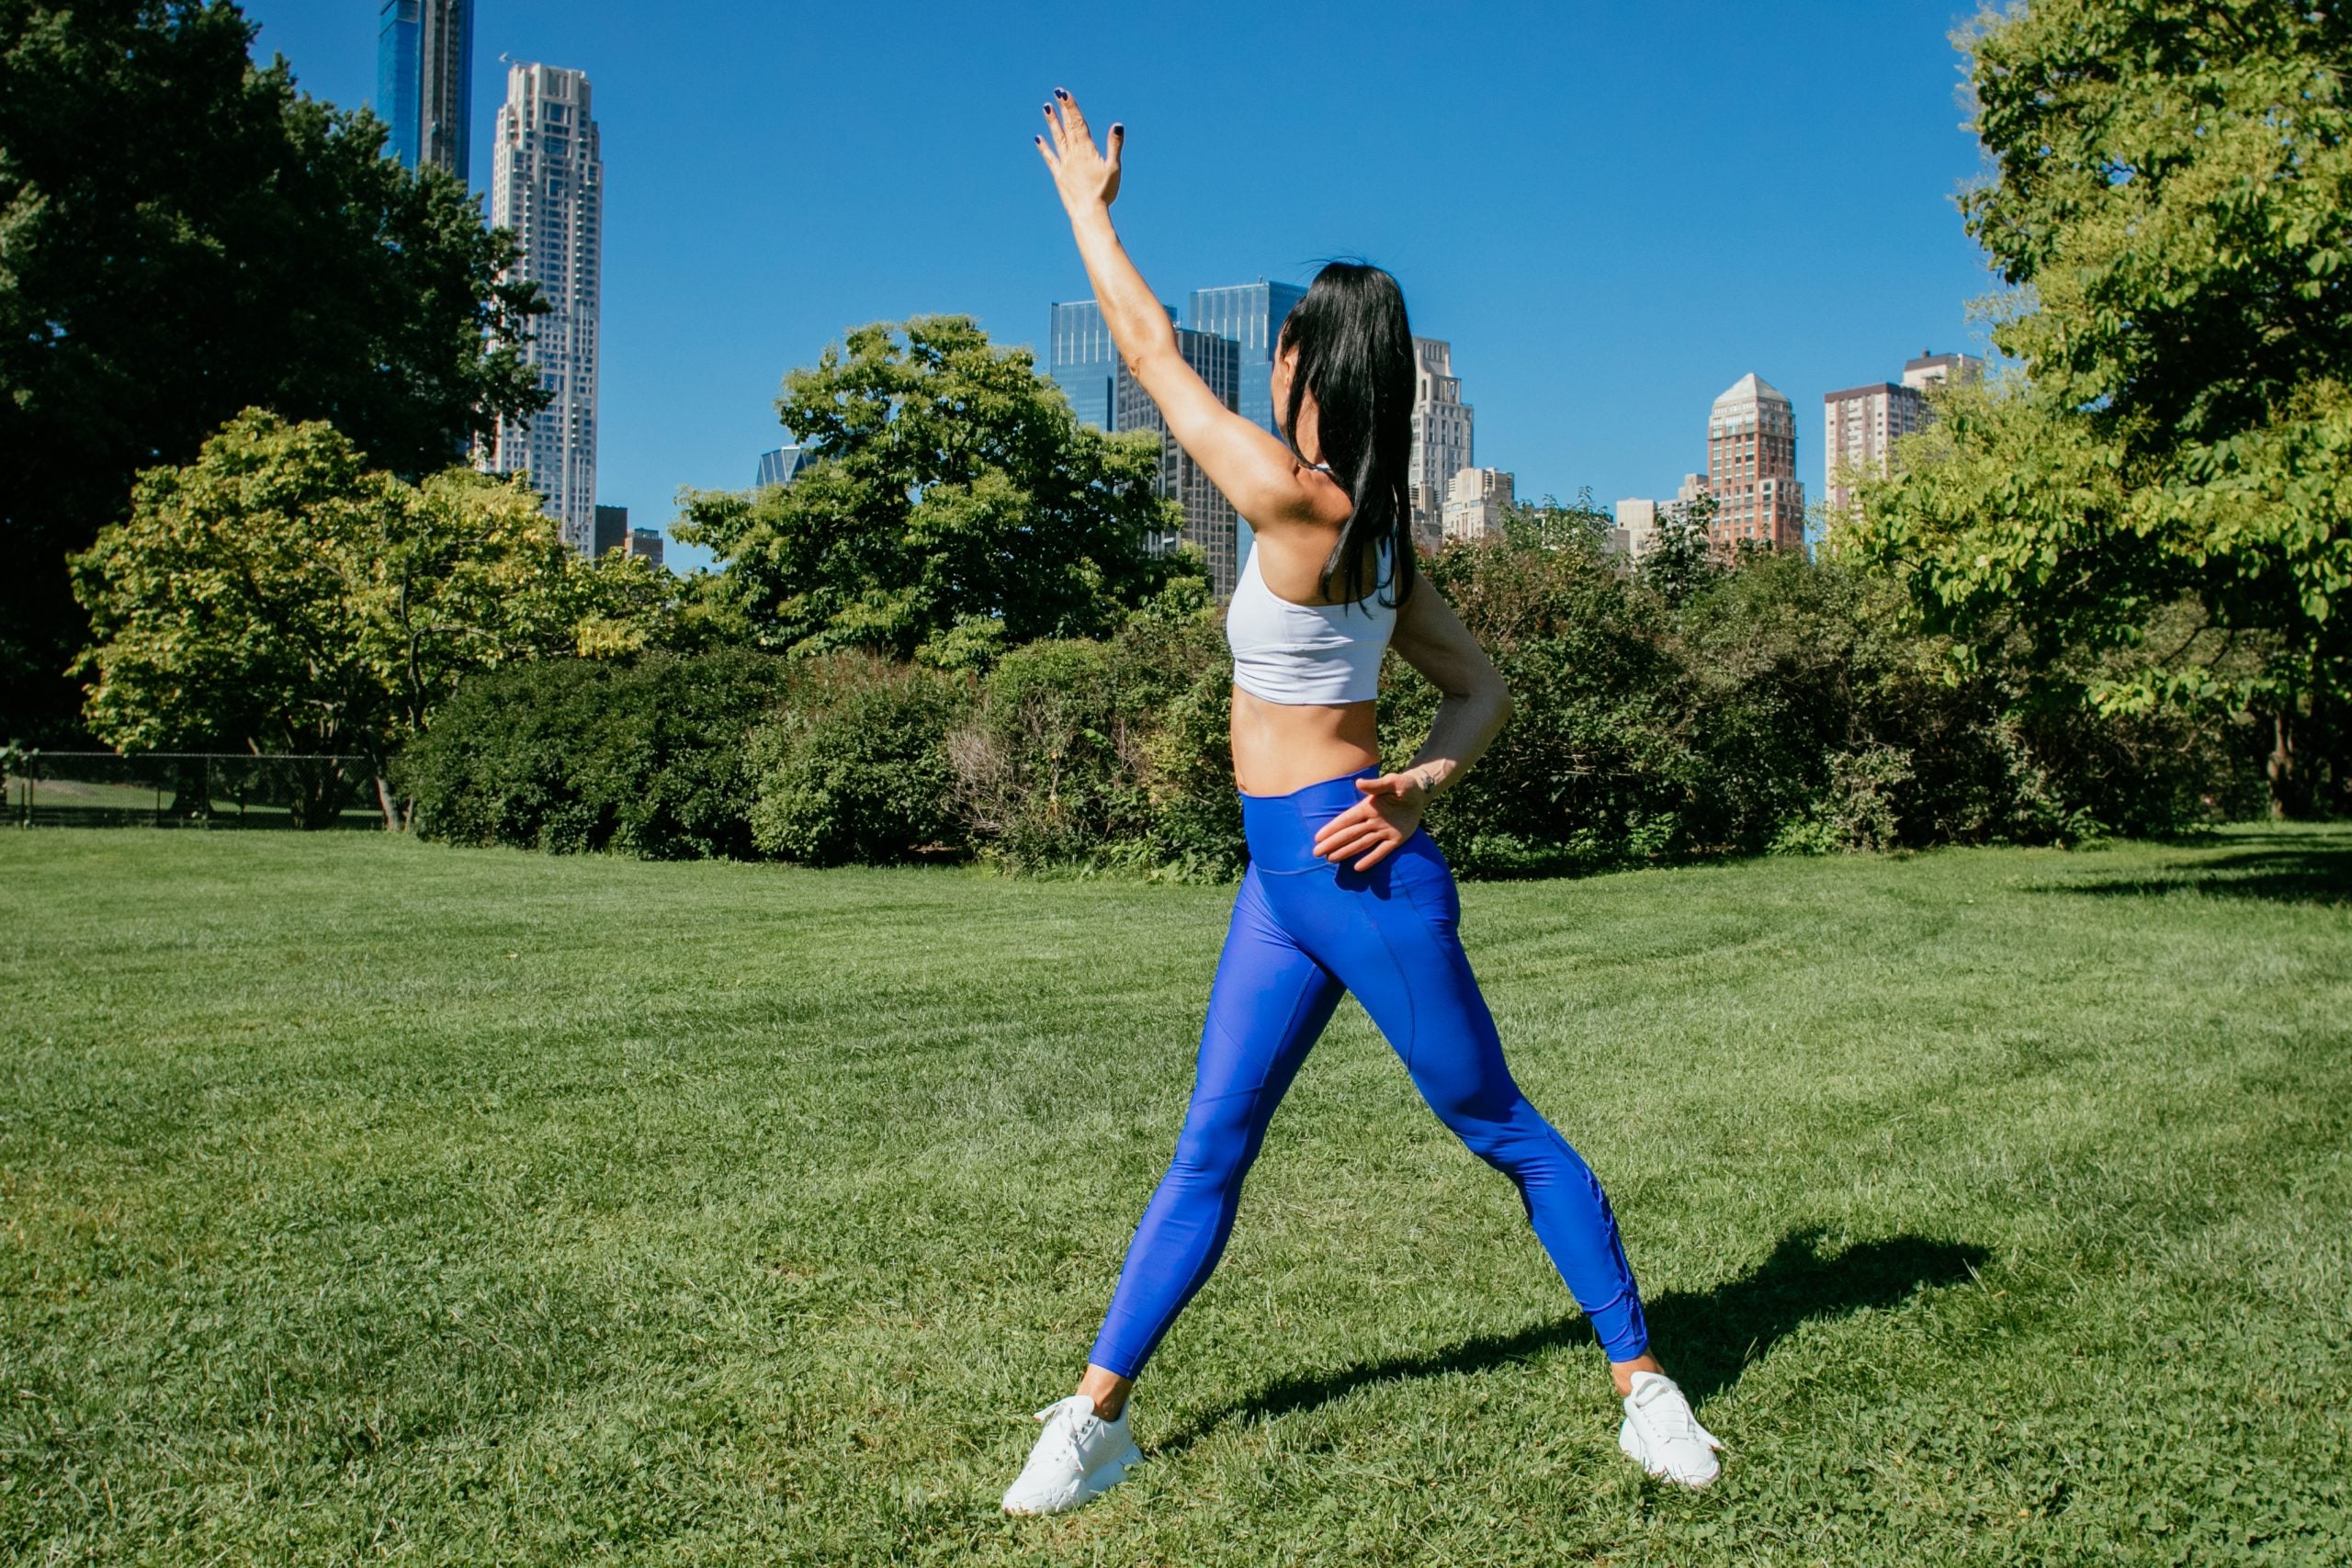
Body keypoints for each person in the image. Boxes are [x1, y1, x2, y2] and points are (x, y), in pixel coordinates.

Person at [1001, 89, 1724, 1517]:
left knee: (1497, 1122)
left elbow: (1148, 355)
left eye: (1280, 348)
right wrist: (1435, 767)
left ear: (1304, 364)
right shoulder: (1374, 529)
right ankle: (1094, 1417)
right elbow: (1481, 690)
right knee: (1214, 1143)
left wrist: (1088, 208)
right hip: (1281, 879)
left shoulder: (1304, 502)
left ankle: (1647, 1389)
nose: (1266, 366)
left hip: (1354, 872)